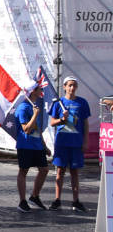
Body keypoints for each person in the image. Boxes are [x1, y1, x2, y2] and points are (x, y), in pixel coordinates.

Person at [49, 76, 90, 212]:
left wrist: (85, 141)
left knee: (75, 173)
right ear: (65, 87)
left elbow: (85, 123)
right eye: (70, 85)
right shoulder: (58, 103)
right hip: (62, 143)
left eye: (74, 85)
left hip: (76, 143)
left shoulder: (82, 103)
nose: (72, 88)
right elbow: (52, 122)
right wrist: (62, 119)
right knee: (60, 172)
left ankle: (76, 201)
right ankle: (57, 200)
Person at [15, 82, 50, 212]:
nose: (41, 90)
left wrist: (44, 146)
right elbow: (26, 129)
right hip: (25, 145)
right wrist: (35, 115)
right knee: (23, 171)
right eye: (38, 88)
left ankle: (34, 196)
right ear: (32, 91)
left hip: (37, 146)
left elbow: (38, 130)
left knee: (44, 169)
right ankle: (22, 201)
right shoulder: (23, 108)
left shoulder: (34, 106)